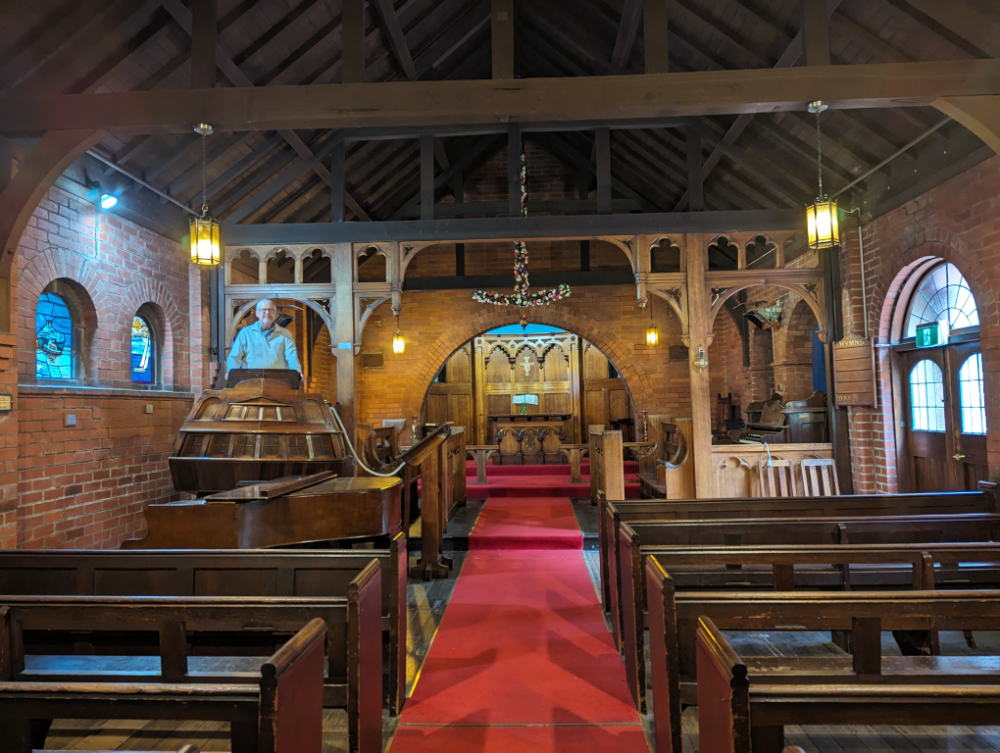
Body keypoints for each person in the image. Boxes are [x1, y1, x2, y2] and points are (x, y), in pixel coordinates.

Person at [226, 299, 301, 375]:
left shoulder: (285, 334)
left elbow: (292, 357)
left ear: (275, 314)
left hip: (278, 382)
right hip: (252, 381)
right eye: (263, 310)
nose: (267, 313)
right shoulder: (245, 333)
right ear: (257, 313)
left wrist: (297, 373)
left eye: (271, 310)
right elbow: (234, 357)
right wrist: (231, 373)